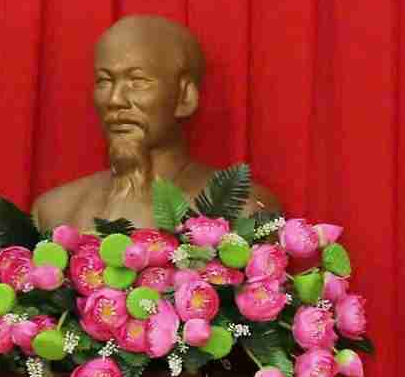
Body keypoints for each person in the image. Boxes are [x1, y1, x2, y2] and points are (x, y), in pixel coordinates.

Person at [33, 15, 278, 232]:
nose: (115, 99)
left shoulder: (242, 210)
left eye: (137, 81)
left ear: (185, 96)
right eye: (104, 81)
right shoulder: (55, 212)